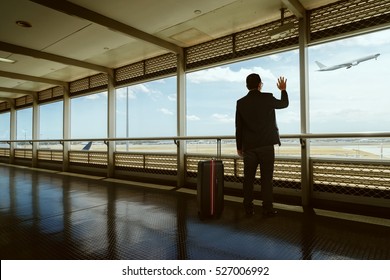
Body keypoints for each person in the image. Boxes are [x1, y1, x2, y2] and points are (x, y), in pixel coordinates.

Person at [235, 73, 289, 217]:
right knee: (266, 179)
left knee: (248, 180)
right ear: (260, 85)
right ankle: (267, 208)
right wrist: (283, 90)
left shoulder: (241, 102)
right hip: (266, 146)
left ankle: (248, 208)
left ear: (247, 86)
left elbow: (238, 127)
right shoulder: (267, 98)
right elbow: (284, 104)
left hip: (249, 148)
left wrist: (239, 146)